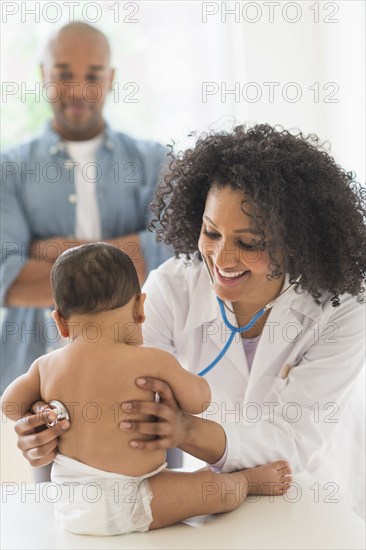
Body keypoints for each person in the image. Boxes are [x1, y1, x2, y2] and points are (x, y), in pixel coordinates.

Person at [14, 124, 366, 518]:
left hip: (317, 492)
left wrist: (186, 431)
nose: (222, 258)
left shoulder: (342, 308)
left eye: (248, 243)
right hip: (222, 499)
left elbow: (295, 442)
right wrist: (52, 427)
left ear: (297, 242)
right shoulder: (173, 287)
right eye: (211, 232)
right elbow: (112, 386)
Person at [1, 242, 292, 535]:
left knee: (185, 482)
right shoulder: (152, 361)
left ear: (61, 322)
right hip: (134, 498)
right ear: (140, 308)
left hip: (70, 506)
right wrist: (190, 383)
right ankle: (246, 481)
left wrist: (38, 409)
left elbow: (9, 405)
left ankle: (214, 477)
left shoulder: (46, 365)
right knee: (218, 491)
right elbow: (199, 401)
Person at [0, 21, 170, 396]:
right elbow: (5, 277)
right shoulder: (8, 169)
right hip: (33, 379)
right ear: (44, 75)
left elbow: (167, 259)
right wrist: (125, 259)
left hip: (138, 376)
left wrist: (50, 252)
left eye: (92, 74)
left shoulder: (156, 161)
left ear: (110, 78)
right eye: (63, 74)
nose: (78, 90)